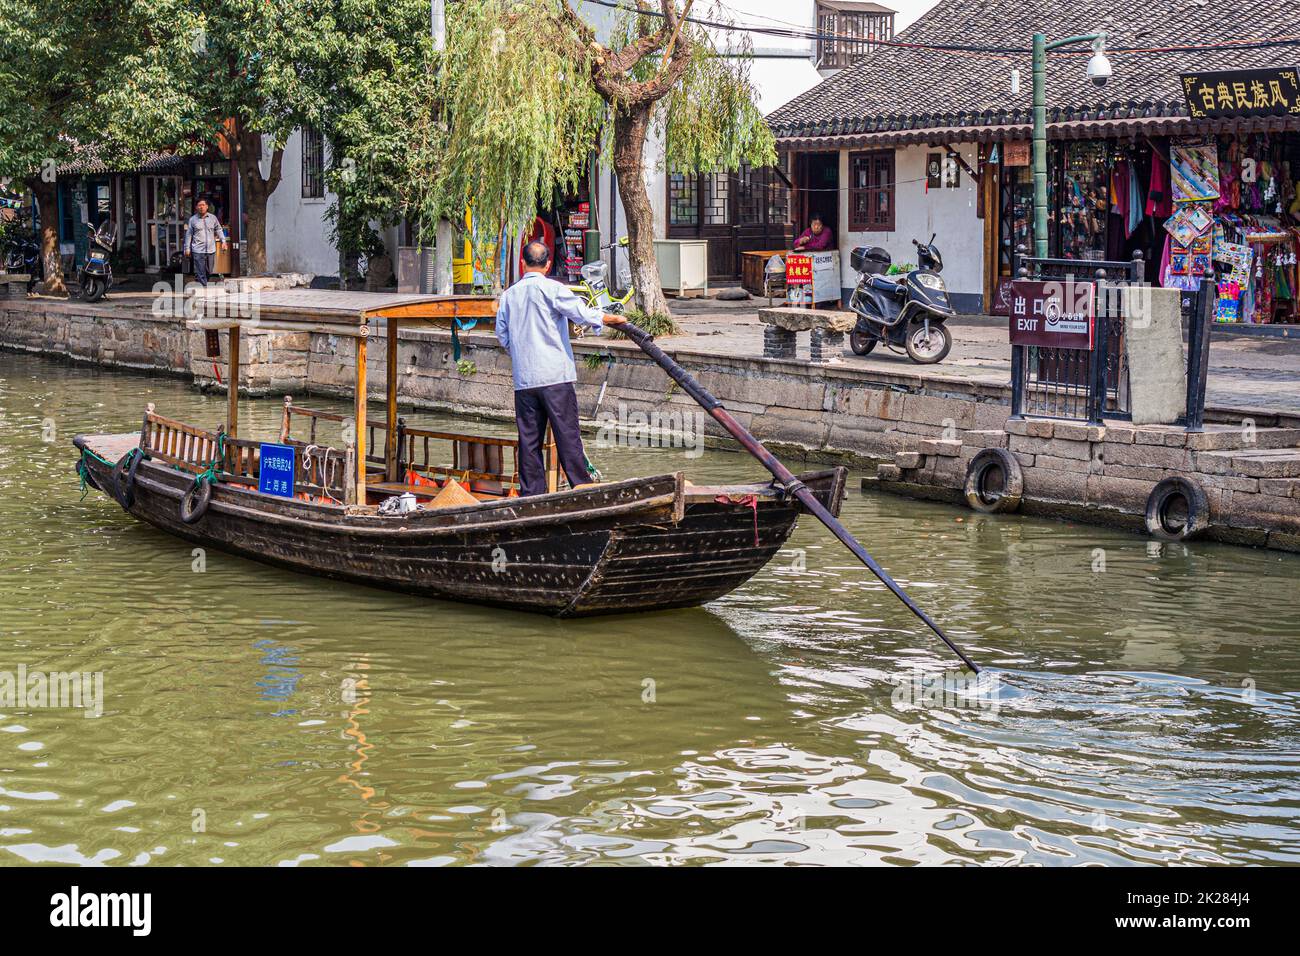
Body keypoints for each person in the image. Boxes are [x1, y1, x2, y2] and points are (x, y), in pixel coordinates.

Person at [496, 240, 627, 496]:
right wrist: (608, 318)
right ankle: (582, 488)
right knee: (567, 436)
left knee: (529, 441)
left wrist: (520, 352)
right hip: (555, 376)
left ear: (523, 263)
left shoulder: (509, 296)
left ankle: (531, 494)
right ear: (547, 264)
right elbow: (579, 311)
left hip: (525, 380)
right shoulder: (553, 288)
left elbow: (502, 334)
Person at [184, 198, 224, 287]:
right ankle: (203, 288)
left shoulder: (213, 218)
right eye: (199, 205)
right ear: (196, 207)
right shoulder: (192, 220)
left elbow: (219, 229)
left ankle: (199, 280)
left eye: (203, 205)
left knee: (209, 270)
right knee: (200, 270)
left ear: (207, 207)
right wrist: (187, 248)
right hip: (197, 250)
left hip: (211, 249)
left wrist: (223, 241)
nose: (201, 207)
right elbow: (188, 234)